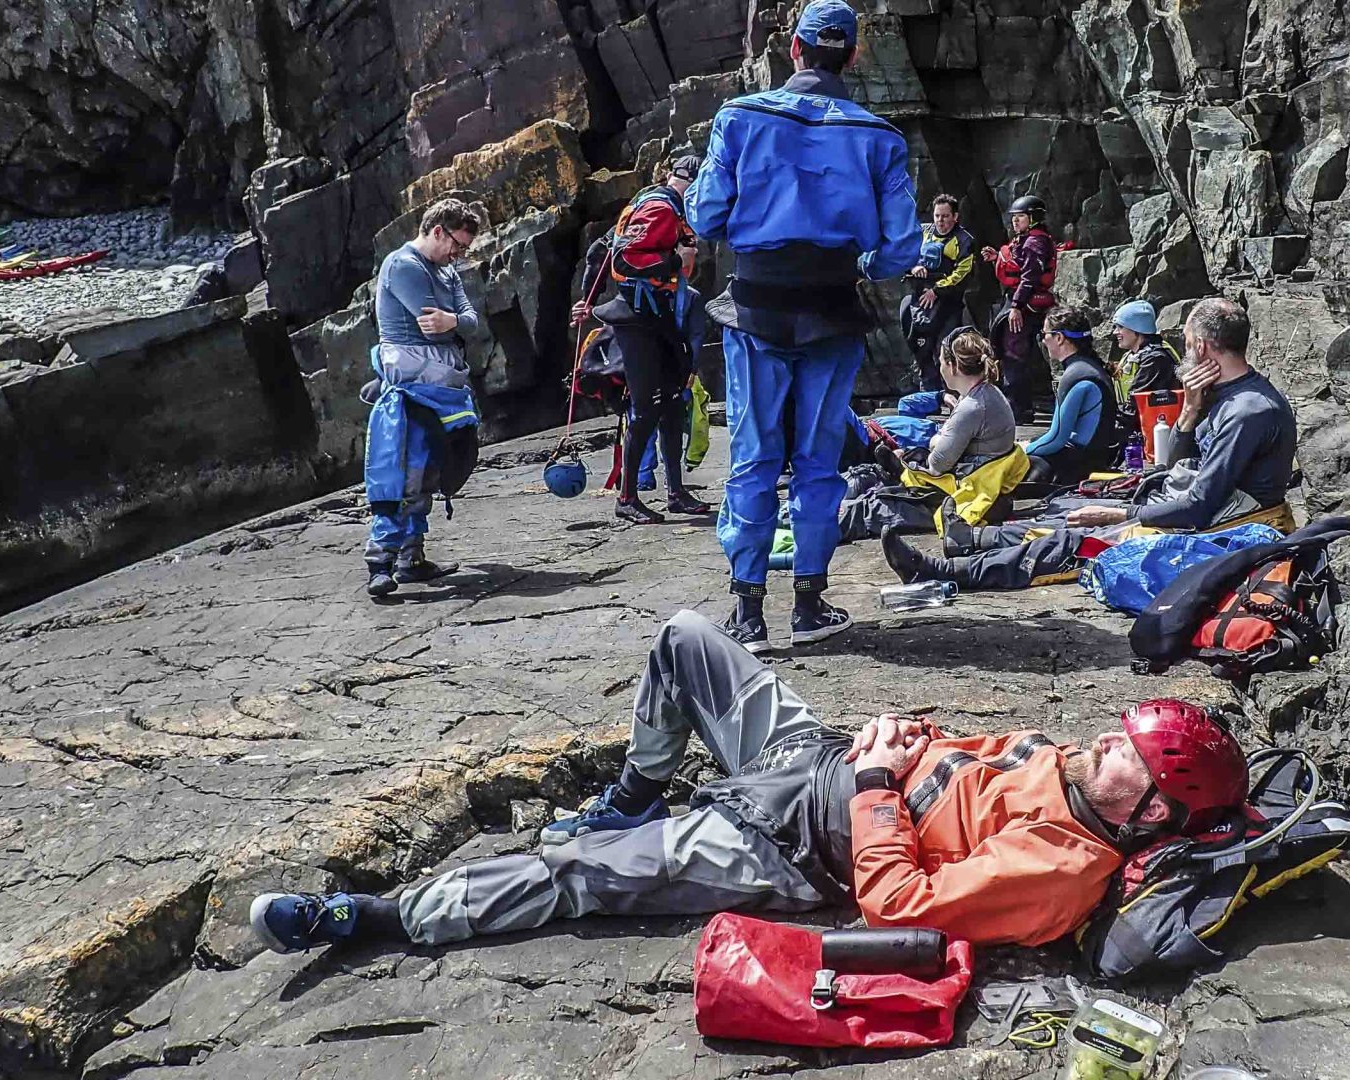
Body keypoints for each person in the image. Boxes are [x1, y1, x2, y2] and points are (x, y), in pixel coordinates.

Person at [248, 611, 1251, 955]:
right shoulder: (1062, 759)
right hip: (812, 764)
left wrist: (873, 783)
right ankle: (639, 788)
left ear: (1150, 806)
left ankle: (374, 917)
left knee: (568, 871)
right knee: (688, 637)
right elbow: (956, 750)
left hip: (794, 852)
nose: (1104, 743)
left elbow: (896, 901)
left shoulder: (1057, 868)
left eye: (1126, 752)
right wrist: (897, 739)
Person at [689, 0, 920, 654]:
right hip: (832, 311)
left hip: (756, 308)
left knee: (755, 455)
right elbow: (902, 250)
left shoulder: (738, 117)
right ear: (853, 55)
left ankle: (747, 614)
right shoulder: (880, 138)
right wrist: (860, 260)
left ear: (792, 51)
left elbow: (706, 217)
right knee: (819, 462)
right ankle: (810, 604)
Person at [880, 298, 1298, 590]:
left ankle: (941, 572)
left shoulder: (1250, 411)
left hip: (1217, 528)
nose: (1183, 356)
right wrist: (1189, 413)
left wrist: (1121, 511)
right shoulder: (1221, 395)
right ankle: (973, 541)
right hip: (1188, 504)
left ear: (1204, 347)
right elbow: (1175, 471)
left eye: (1187, 345)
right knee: (1071, 515)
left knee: (1077, 541)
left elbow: (1201, 505)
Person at [574, 156, 712, 525]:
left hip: (658, 319)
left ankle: (676, 492)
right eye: (692, 181)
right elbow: (627, 260)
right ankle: (628, 498)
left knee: (671, 404)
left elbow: (597, 252)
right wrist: (674, 261)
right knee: (648, 406)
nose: (695, 189)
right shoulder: (660, 207)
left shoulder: (647, 205)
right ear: (675, 178)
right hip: (640, 321)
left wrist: (587, 300)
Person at [363, 198, 486, 598]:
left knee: (432, 467)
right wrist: (454, 323)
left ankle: (412, 558)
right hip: (412, 386)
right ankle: (380, 561)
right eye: (457, 245)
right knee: (404, 472)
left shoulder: (445, 270)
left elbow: (467, 317)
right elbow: (434, 327)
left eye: (464, 249)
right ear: (437, 231)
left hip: (444, 386)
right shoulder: (402, 267)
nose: (459, 254)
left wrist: (453, 320)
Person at [874, 329, 1014, 480]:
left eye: (941, 362)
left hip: (974, 473)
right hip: (980, 462)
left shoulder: (972, 407)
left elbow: (937, 466)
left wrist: (933, 442)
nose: (939, 368)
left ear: (952, 366)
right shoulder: (985, 392)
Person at [1023, 305, 1121, 488]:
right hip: (1095, 457)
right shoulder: (1089, 366)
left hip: (1077, 466)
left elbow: (1057, 438)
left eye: (1044, 335)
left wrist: (1021, 450)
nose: (1043, 341)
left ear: (1059, 338)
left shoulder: (1075, 375)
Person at [982, 195, 1058, 422]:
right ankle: (1023, 407)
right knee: (1020, 354)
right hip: (1024, 303)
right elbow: (1019, 264)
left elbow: (1030, 276)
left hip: (1025, 306)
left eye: (1021, 217)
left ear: (1033, 218)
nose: (1015, 222)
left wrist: (1016, 305)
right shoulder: (1026, 240)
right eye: (1014, 217)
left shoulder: (1036, 242)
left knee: (1014, 355)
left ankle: (1019, 410)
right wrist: (998, 258)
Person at [898, 194, 977, 391]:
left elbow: (963, 273)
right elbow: (904, 255)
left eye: (945, 216)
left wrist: (937, 291)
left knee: (947, 349)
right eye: (937, 216)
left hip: (948, 303)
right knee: (920, 347)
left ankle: (952, 396)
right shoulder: (923, 233)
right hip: (919, 301)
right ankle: (928, 395)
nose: (940, 220)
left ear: (955, 217)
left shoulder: (964, 240)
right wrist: (913, 267)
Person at [1112, 298, 1181, 439]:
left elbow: (1134, 404)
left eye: (1120, 327)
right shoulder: (1133, 355)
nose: (1115, 332)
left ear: (1137, 329)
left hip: (1151, 436)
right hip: (1137, 431)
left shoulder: (1155, 359)